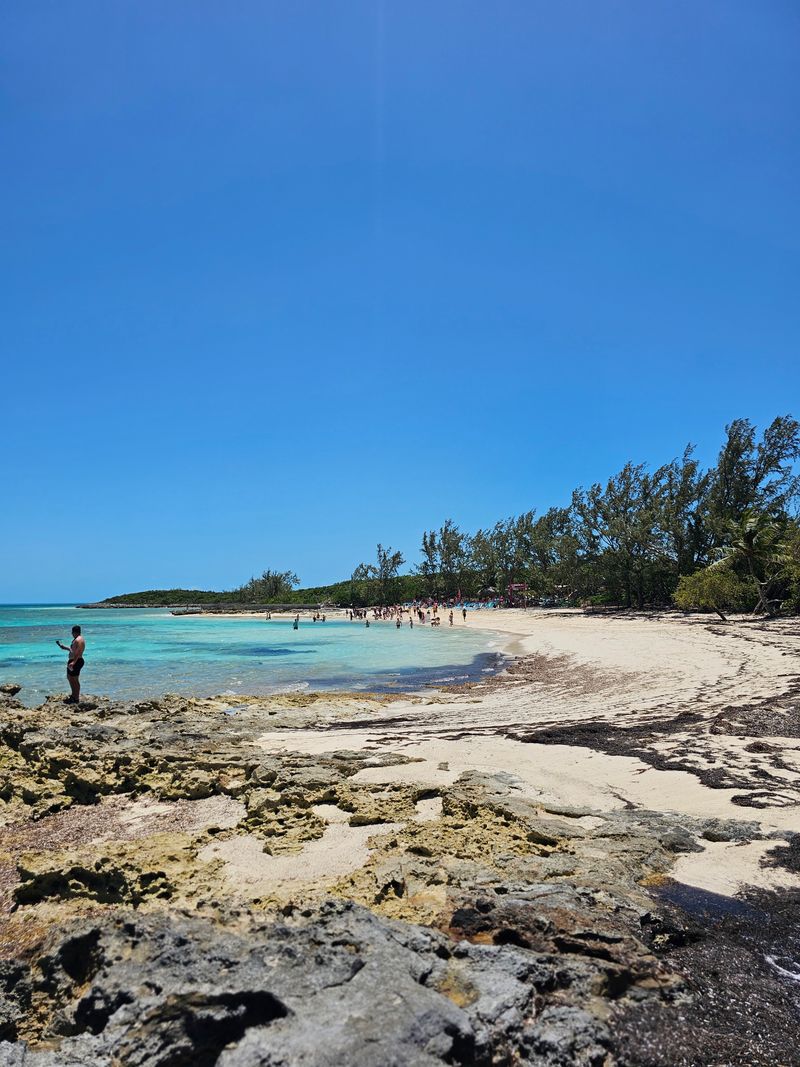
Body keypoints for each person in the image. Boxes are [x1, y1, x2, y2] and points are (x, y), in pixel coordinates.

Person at [56, 625, 85, 704]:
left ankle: (76, 698)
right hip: (75, 661)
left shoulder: (79, 640)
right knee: (70, 678)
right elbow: (73, 650)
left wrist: (73, 662)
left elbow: (78, 652)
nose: (72, 634)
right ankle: (74, 695)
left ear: (74, 632)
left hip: (76, 661)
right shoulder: (77, 639)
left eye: (72, 633)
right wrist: (66, 648)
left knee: (74, 679)